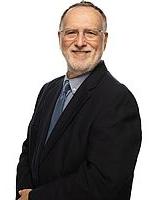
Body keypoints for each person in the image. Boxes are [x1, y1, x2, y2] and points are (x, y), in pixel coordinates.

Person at [16, 1, 142, 200]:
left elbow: (104, 182)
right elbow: (28, 151)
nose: (80, 42)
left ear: (104, 40)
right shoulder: (48, 90)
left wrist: (36, 197)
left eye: (90, 33)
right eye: (71, 32)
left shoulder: (118, 100)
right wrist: (23, 193)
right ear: (60, 38)